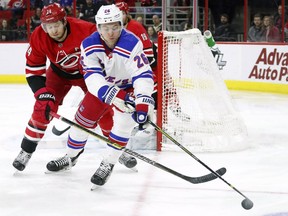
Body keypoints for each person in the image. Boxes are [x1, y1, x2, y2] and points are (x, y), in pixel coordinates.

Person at [47, 4, 155, 186]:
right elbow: (92, 77)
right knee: (82, 121)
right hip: (103, 88)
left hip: (128, 89)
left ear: (121, 25)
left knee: (123, 126)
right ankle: (71, 157)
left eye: (115, 27)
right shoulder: (89, 44)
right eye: (106, 28)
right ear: (98, 27)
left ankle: (108, 163)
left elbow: (142, 74)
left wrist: (143, 101)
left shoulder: (132, 42)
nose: (111, 32)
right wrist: (115, 94)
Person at [12, 3, 113, 172]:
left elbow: (105, 58)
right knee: (42, 107)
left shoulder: (86, 30)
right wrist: (41, 93)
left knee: (101, 109)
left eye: (56, 25)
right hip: (58, 74)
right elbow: (33, 70)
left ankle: (115, 146)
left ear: (64, 21)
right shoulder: (39, 36)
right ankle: (26, 151)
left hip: (87, 75)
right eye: (48, 27)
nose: (53, 30)